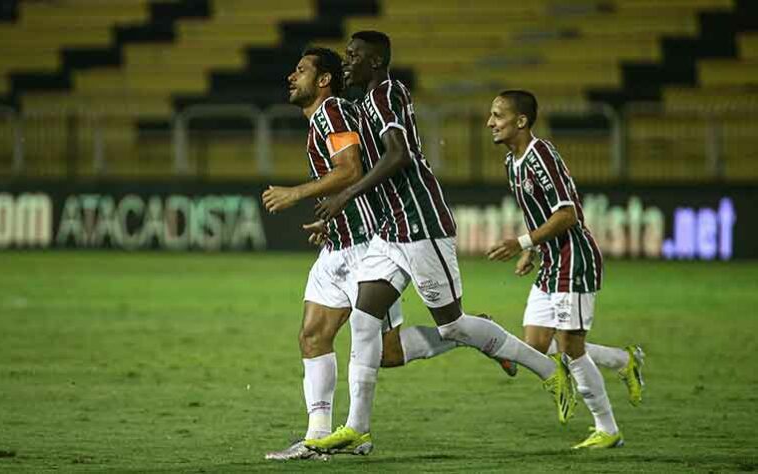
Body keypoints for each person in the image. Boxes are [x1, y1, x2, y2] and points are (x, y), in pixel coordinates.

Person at [305, 31, 575, 455]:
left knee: (453, 324)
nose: (346, 63)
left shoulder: (385, 95)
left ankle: (550, 370)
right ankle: (357, 427)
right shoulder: (369, 102)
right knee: (363, 317)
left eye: (354, 57)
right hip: (390, 230)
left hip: (420, 224)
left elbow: (399, 156)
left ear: (375, 62)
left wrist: (344, 195)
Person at [261, 47, 512, 461]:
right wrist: (330, 221)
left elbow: (351, 170)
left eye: (301, 70)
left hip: (367, 247)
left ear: (324, 80)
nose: (292, 76)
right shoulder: (320, 121)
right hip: (338, 244)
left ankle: (473, 334)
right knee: (312, 335)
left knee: (389, 353)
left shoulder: (334, 113)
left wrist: (296, 193)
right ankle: (315, 437)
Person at [485, 90, 642, 448]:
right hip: (551, 261)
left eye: (497, 115)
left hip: (574, 259)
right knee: (535, 347)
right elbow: (539, 214)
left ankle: (608, 429)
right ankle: (622, 360)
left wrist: (522, 243)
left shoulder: (541, 154)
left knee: (571, 347)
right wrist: (534, 250)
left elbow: (567, 214)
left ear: (521, 121)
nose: (490, 123)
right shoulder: (512, 162)